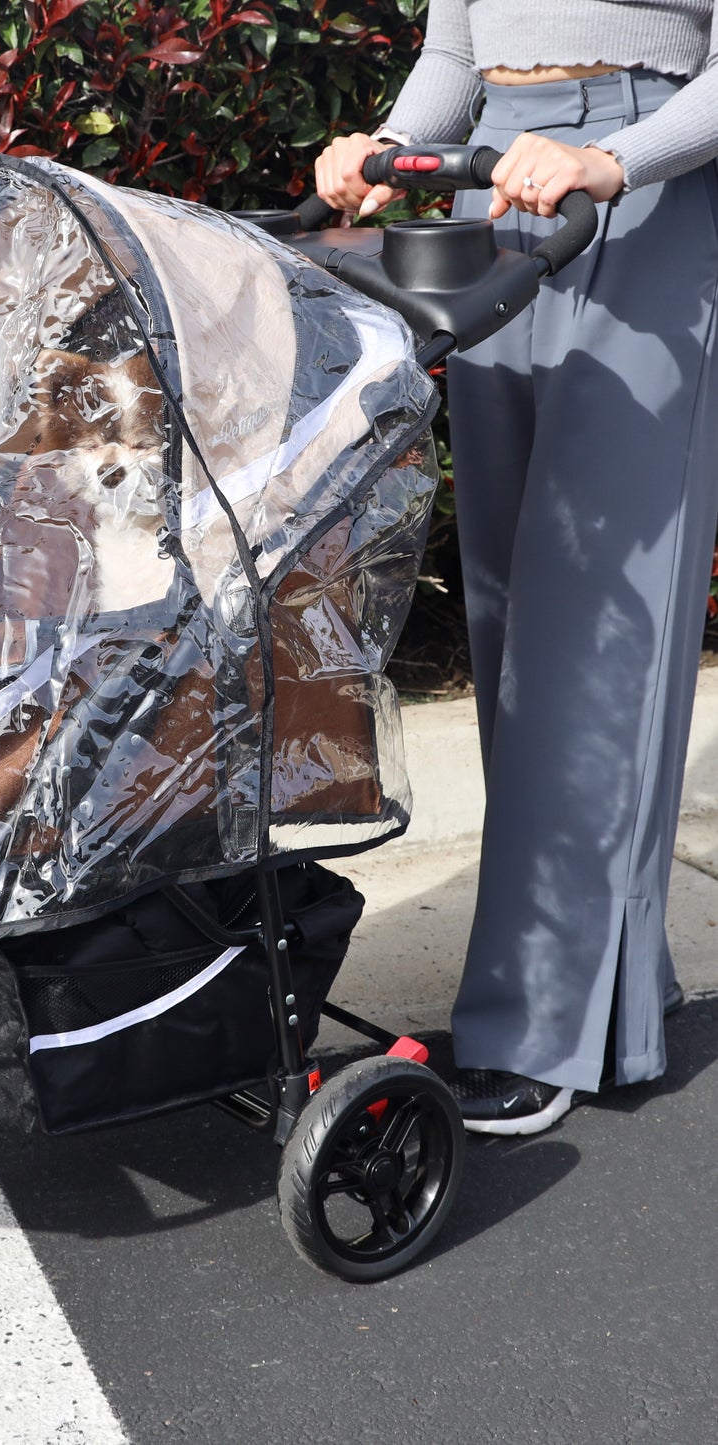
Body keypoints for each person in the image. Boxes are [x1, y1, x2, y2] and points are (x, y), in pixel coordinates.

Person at [315, 1, 718, 1135]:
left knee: (591, 635)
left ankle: (536, 1023)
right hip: (495, 191)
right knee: (502, 618)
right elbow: (457, 48)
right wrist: (387, 155)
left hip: (634, 191)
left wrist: (607, 158)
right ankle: (601, 1002)